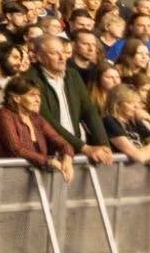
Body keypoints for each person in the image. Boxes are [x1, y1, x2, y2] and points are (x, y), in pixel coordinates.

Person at [24, 34, 113, 165]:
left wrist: (104, 144)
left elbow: (89, 111)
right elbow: (47, 120)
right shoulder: (30, 80)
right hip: (50, 154)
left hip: (77, 149)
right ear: (40, 57)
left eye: (64, 52)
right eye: (54, 53)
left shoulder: (73, 75)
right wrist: (84, 147)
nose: (62, 58)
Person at [0, 76, 75, 182]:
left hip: (32, 183)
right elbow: (17, 149)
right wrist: (48, 161)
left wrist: (67, 159)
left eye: (38, 96)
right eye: (32, 95)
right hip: (8, 180)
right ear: (16, 98)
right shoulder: (4, 115)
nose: (38, 100)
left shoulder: (36, 118)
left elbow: (60, 141)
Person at [102, 84, 150, 164]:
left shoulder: (135, 122)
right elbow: (138, 156)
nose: (136, 106)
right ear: (117, 105)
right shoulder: (109, 121)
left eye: (138, 102)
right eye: (131, 102)